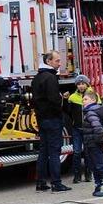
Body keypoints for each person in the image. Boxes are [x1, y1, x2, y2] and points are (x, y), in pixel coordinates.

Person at [32, 50, 71, 192]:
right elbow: (54, 100)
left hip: (41, 119)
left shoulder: (37, 78)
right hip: (52, 119)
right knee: (55, 151)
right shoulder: (50, 78)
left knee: (43, 152)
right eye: (57, 61)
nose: (59, 63)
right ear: (49, 61)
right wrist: (62, 98)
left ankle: (41, 183)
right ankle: (56, 183)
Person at [64, 75, 97, 183]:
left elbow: (98, 110)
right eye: (78, 84)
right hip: (77, 128)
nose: (81, 86)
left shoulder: (93, 95)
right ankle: (77, 175)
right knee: (77, 152)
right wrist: (65, 100)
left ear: (87, 84)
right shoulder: (73, 97)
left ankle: (88, 174)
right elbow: (67, 111)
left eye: (83, 84)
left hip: (88, 128)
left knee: (88, 152)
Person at [82, 91, 103, 196]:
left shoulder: (91, 112)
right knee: (94, 165)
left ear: (93, 100)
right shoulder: (89, 112)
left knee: (100, 165)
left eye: (85, 99)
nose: (83, 101)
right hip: (90, 142)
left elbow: (97, 128)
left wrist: (98, 140)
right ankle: (98, 185)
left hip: (93, 143)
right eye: (83, 99)